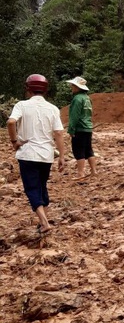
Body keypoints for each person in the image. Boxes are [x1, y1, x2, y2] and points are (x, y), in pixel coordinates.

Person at [7, 74, 66, 235]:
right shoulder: (53, 108)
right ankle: (42, 222)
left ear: (28, 89)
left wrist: (14, 141)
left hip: (27, 154)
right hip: (46, 155)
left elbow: (11, 122)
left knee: (32, 188)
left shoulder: (21, 105)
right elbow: (59, 133)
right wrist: (61, 156)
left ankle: (45, 223)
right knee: (42, 186)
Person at [66, 76, 96, 181]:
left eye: (73, 85)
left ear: (77, 87)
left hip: (80, 128)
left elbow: (75, 116)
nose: (71, 87)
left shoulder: (77, 99)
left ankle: (80, 173)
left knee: (79, 150)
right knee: (89, 149)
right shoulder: (87, 98)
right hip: (88, 127)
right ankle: (93, 171)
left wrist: (71, 129)